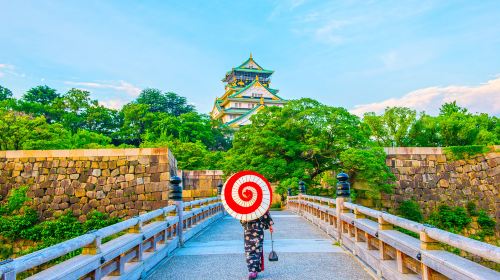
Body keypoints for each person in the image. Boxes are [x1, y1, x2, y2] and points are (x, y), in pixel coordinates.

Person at [241, 211, 274, 280]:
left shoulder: (245, 206)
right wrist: (270, 225)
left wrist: (244, 221)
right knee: (257, 249)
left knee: (249, 250)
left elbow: (241, 219)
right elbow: (265, 214)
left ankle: (251, 271)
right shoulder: (259, 204)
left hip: (248, 228)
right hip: (258, 228)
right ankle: (254, 270)